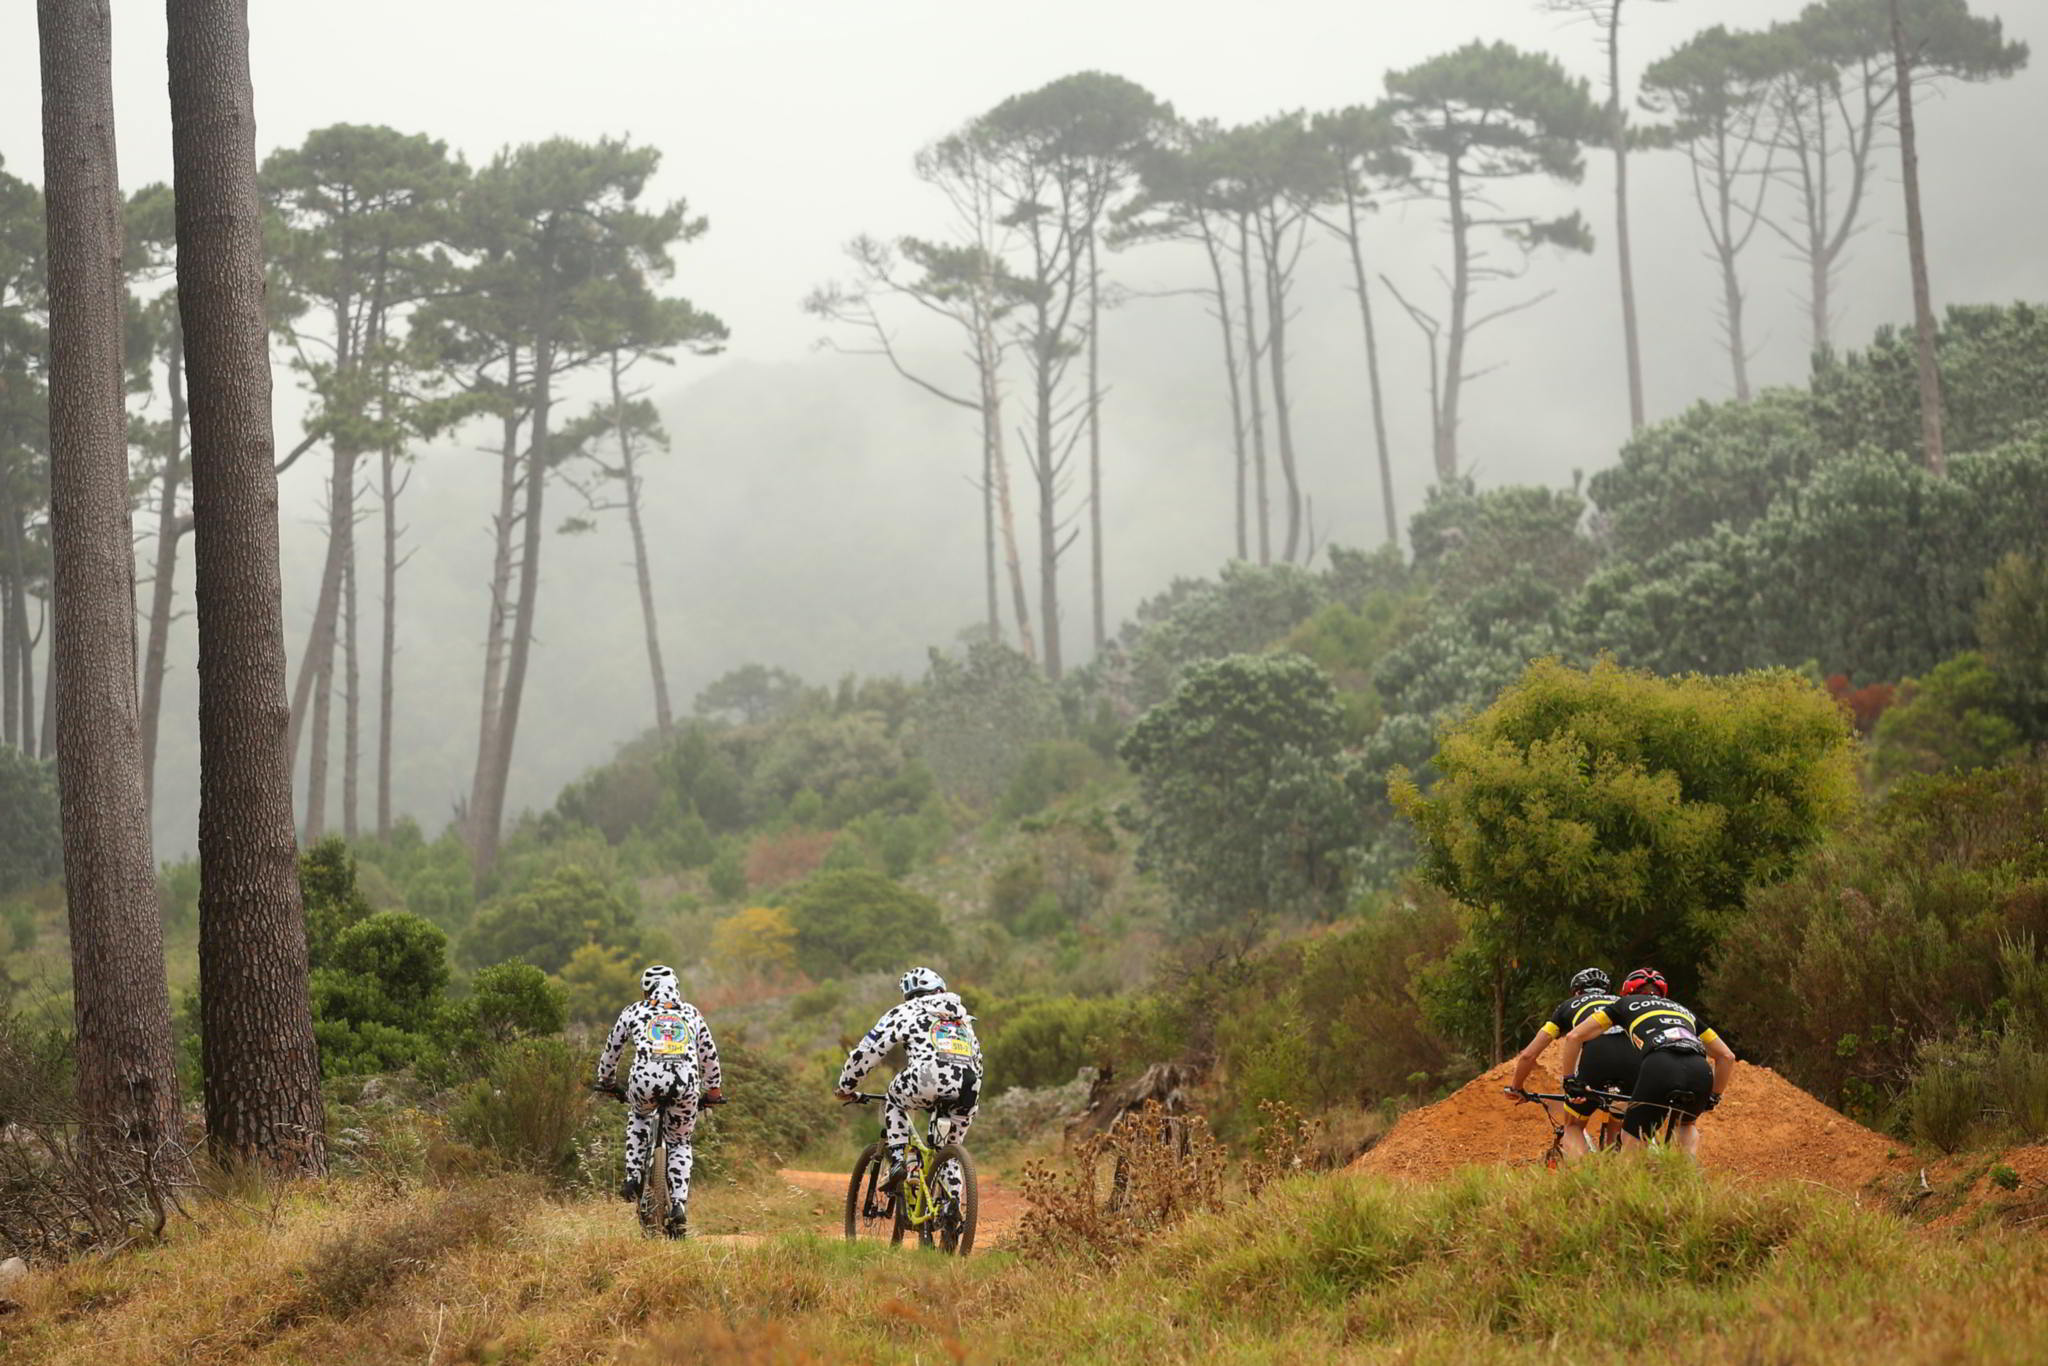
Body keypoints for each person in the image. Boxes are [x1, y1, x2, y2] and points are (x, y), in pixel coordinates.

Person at [596, 964, 724, 1237]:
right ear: (676, 987)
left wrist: (607, 1082)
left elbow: (612, 1049)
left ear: (646, 989)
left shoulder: (633, 1011)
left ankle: (633, 1176)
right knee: (679, 1141)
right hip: (685, 1084)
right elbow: (709, 1055)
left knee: (640, 1117)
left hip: (644, 1082)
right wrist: (713, 1093)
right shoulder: (691, 1013)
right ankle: (678, 1205)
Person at [1555, 967, 1735, 1158]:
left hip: (1660, 1064)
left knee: (1632, 1135)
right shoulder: (1684, 1011)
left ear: (1626, 991)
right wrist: (1714, 1096)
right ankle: (1686, 1175)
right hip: (1699, 1068)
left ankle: (1623, 1183)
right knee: (1687, 1124)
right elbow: (1727, 1057)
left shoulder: (1624, 1003)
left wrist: (1569, 1079)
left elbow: (1575, 1036)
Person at [835, 967, 982, 1199]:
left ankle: (901, 1161)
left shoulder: (905, 1011)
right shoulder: (963, 1018)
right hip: (968, 1085)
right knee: (949, 1151)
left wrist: (847, 1086)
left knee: (894, 1099)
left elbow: (868, 1051)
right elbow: (978, 1062)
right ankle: (951, 1214)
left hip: (926, 1076)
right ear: (940, 989)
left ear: (908, 995)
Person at [1504, 967, 1639, 1159]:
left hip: (1596, 1058)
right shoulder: (1622, 1002)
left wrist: (1516, 1087)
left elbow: (1528, 1055)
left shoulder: (1568, 1006)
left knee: (1573, 1126)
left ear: (1577, 991)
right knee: (1618, 1117)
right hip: (1633, 1059)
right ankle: (1618, 1162)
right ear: (1607, 991)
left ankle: (1584, 1175)